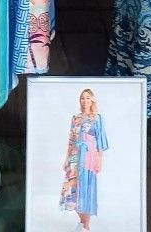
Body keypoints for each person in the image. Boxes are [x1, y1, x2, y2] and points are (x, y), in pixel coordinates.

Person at [60, 89, 109, 229]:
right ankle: (82, 221)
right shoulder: (75, 118)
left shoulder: (97, 118)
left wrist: (100, 160)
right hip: (75, 157)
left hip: (89, 156)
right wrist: (66, 159)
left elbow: (100, 141)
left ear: (92, 100)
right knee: (72, 189)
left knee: (86, 188)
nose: (85, 100)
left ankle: (86, 225)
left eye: (88, 98)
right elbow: (71, 140)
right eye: (82, 98)